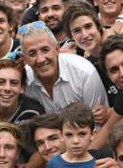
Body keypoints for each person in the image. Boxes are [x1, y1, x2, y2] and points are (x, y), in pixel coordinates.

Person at [20, 22, 111, 150]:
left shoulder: (84, 73)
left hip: (89, 149)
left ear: (57, 49)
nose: (40, 59)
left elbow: (98, 127)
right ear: (25, 59)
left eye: (45, 50)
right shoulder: (23, 82)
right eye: (32, 54)